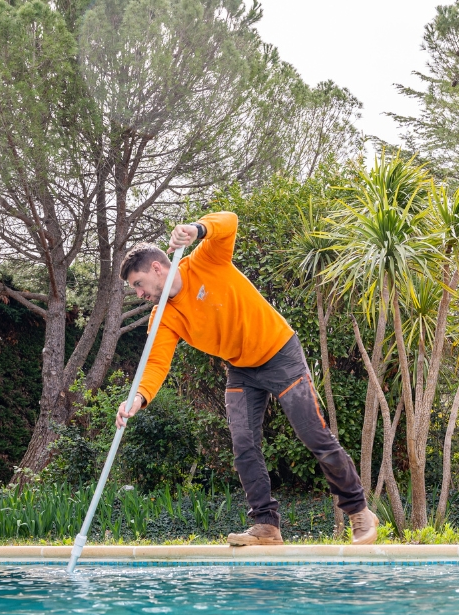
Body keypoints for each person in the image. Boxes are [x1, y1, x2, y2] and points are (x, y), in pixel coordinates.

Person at [116, 211, 378, 546]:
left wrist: (197, 230)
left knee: (313, 434)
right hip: (241, 368)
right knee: (243, 446)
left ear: (157, 268)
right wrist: (137, 398)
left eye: (138, 284)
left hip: (279, 352)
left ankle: (359, 511)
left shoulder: (205, 261)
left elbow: (229, 221)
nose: (138, 293)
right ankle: (267, 527)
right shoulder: (163, 317)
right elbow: (155, 364)